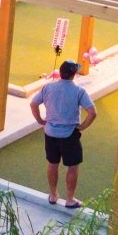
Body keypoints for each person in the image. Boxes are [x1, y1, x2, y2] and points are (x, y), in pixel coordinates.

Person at [29, 60, 97, 209]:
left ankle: (53, 195)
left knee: (53, 164)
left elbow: (33, 104)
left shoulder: (48, 87)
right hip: (69, 135)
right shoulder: (79, 91)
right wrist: (82, 127)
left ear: (60, 73)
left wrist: (41, 120)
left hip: (50, 133)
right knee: (72, 167)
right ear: (74, 74)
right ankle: (70, 199)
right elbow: (92, 112)